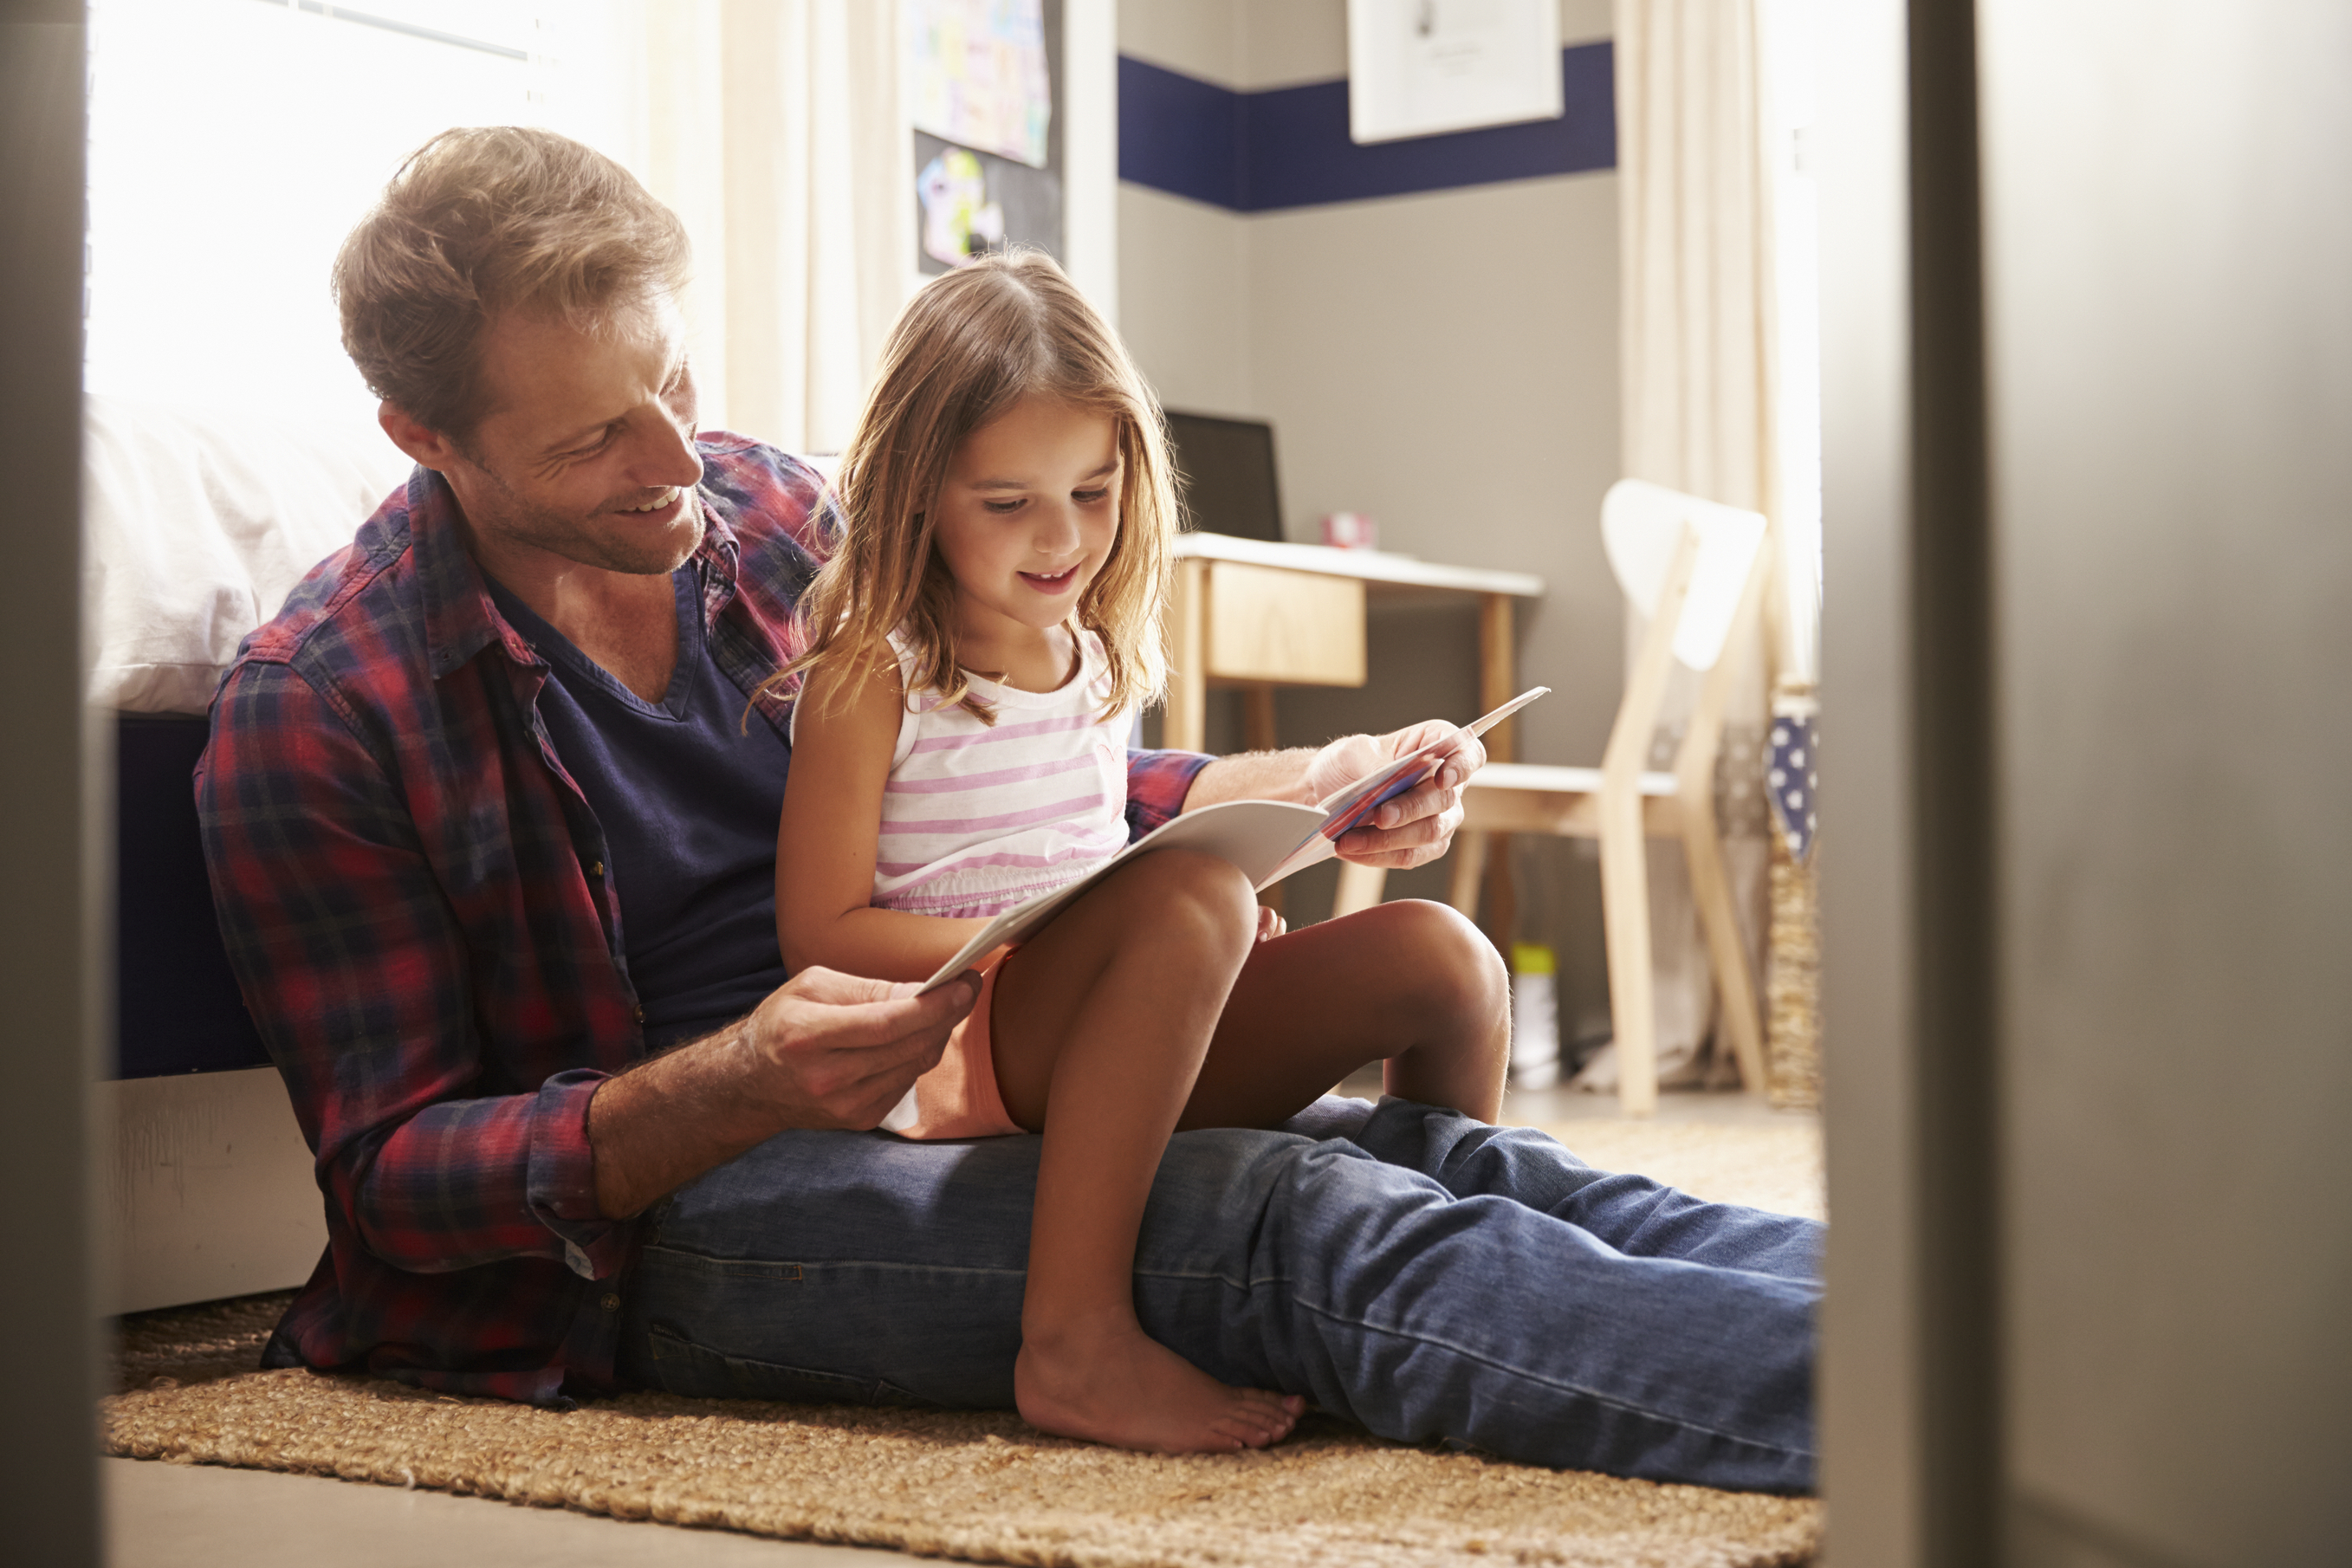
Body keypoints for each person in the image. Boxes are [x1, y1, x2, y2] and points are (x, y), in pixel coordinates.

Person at [197, 126, 1823, 1493]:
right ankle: (1934, 1418)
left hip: (982, 1045)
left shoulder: (770, 515)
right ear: (423, 438)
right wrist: (726, 1083)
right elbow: (393, 1181)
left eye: (675, 376)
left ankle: (1991, 1317)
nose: (678, 451)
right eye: (594, 433)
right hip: (688, 1209)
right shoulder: (325, 711)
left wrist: (1296, 792)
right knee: (1301, 1212)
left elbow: (1019, 784)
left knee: (1451, 1162)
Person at [774, 250, 1509, 1455]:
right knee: (1187, 901)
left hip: (1108, 1021)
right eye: (1008, 503)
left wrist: (1302, 831)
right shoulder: (874, 671)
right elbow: (819, 934)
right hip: (963, 1042)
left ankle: (1451, 1273)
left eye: (1096, 491)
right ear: (916, 495)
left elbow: (1102, 845)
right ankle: (1070, 1340)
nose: (1062, 538)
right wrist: (1103, 935)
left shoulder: (1100, 658)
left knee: (1446, 958)